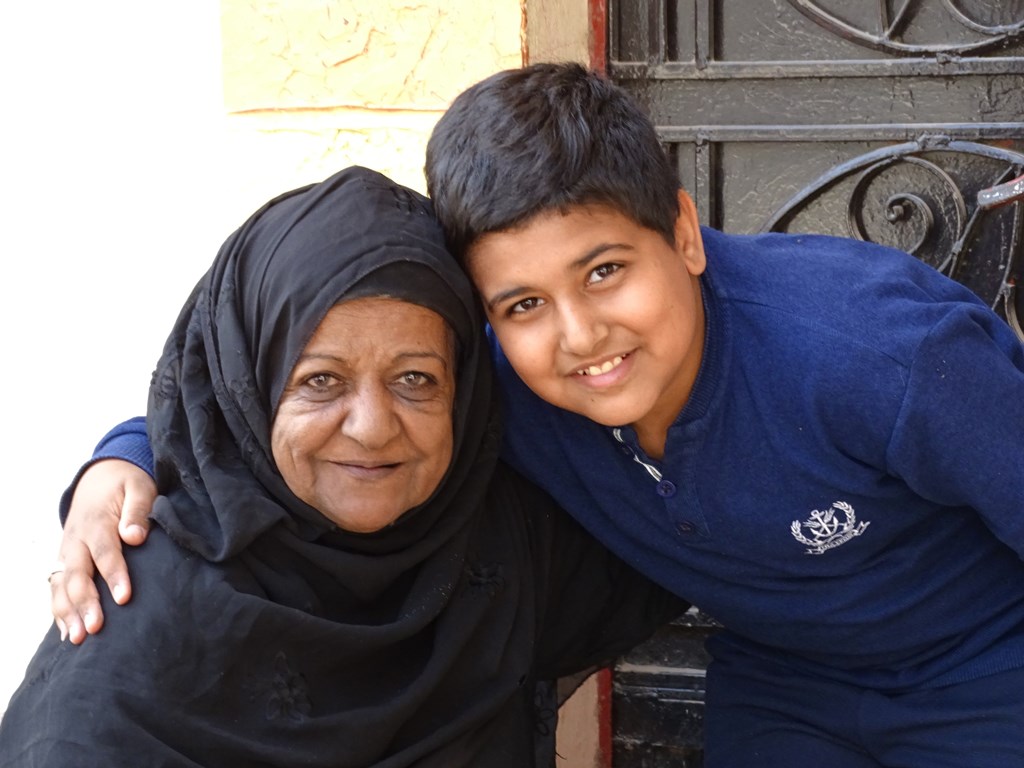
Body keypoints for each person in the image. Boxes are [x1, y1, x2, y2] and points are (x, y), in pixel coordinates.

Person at [46, 64, 1024, 767]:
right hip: (788, 684)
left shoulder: (878, 357)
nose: (579, 336)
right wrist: (123, 458)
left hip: (985, 664)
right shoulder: (485, 383)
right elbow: (283, 377)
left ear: (683, 232)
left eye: (604, 271)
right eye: (520, 304)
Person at [0, 165, 684, 767]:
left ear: (466, 391)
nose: (372, 427)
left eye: (416, 379)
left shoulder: (491, 542)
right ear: (248, 391)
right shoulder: (125, 646)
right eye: (320, 382)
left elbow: (706, 540)